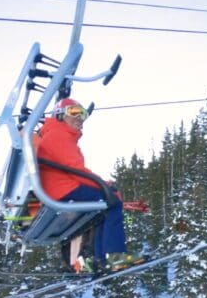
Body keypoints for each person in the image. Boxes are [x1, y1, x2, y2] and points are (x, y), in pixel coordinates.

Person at [35, 97, 147, 271]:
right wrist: (104, 186)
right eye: (73, 112)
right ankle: (114, 255)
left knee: (104, 207)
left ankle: (102, 260)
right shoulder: (58, 135)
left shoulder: (54, 134)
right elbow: (75, 169)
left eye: (83, 114)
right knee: (113, 203)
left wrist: (104, 185)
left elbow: (72, 169)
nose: (79, 117)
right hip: (64, 190)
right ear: (59, 115)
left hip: (59, 187)